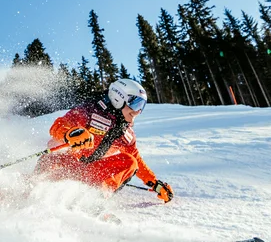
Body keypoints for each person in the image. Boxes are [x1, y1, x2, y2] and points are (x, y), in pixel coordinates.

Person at [34, 78, 174, 203]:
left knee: (130, 161)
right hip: (64, 163)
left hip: (87, 171)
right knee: (49, 164)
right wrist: (69, 133)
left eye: (141, 106)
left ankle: (95, 200)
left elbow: (136, 159)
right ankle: (29, 189)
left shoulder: (126, 132)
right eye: (136, 104)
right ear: (119, 98)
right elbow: (58, 126)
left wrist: (155, 183)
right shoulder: (90, 111)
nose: (138, 111)